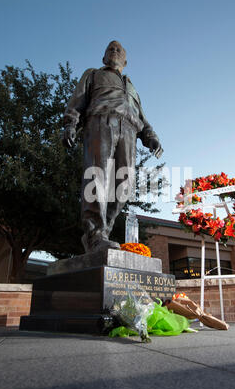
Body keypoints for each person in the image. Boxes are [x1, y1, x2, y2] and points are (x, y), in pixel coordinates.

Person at [63, 40, 163, 251]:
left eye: (118, 49)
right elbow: (77, 101)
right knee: (97, 177)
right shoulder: (93, 74)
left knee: (124, 187)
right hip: (101, 123)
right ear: (104, 58)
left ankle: (102, 232)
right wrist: (71, 124)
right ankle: (94, 234)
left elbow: (142, 118)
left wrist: (151, 136)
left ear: (125, 60)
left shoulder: (132, 87)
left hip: (129, 131)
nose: (114, 51)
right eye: (110, 49)